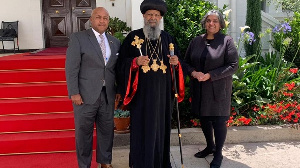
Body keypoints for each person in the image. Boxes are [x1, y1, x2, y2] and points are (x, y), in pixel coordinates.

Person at [116, 0, 185, 167]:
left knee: (161, 130)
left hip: (163, 95)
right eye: (149, 15)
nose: (152, 18)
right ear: (144, 16)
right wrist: (134, 62)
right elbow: (120, 64)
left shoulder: (168, 38)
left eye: (156, 15)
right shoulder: (133, 37)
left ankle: (160, 162)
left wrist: (176, 63)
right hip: (141, 96)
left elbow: (178, 64)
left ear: (160, 17)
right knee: (141, 129)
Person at [65, 7, 121, 168]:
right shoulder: (78, 38)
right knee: (84, 134)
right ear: (91, 19)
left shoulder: (114, 41)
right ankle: (84, 165)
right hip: (85, 95)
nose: (102, 21)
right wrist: (74, 92)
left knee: (107, 131)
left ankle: (105, 162)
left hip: (107, 94)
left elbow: (116, 70)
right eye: (98, 17)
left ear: (108, 21)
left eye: (105, 18)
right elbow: (71, 67)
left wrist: (118, 90)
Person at [183, 10, 239, 168]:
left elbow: (233, 65)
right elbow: (186, 62)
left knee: (219, 121)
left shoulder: (226, 41)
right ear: (204, 22)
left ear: (220, 24)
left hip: (218, 89)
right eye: (208, 20)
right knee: (204, 119)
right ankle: (210, 146)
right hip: (200, 88)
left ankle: (218, 153)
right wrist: (193, 72)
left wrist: (210, 75)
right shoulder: (196, 41)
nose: (211, 23)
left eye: (215, 21)